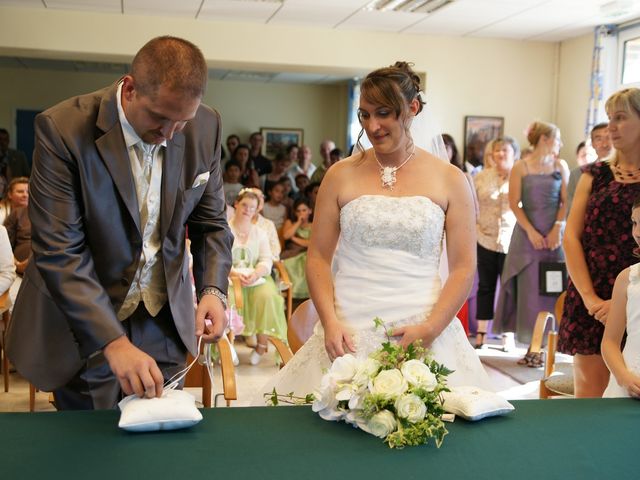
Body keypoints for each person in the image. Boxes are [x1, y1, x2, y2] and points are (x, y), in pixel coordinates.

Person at [5, 36, 233, 410]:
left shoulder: (205, 126)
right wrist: (113, 341)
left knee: (160, 440)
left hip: (166, 321)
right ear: (129, 89)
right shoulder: (62, 129)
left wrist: (213, 290)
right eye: (159, 118)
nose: (170, 134)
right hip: (86, 322)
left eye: (182, 122)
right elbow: (60, 251)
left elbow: (212, 224)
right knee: (94, 453)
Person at [254, 61, 491, 401]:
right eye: (364, 115)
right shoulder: (340, 174)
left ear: (412, 108)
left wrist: (431, 328)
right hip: (348, 329)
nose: (373, 126)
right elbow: (319, 257)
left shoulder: (451, 179)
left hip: (423, 328)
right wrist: (331, 323)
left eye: (384, 113)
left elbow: (464, 267)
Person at [558, 88, 640, 397]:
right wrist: (592, 300)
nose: (612, 128)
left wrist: (623, 300)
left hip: (637, 295)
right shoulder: (594, 175)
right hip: (591, 299)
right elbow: (571, 237)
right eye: (609, 119)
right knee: (588, 399)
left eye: (621, 118)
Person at [494, 121, 569, 358]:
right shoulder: (521, 167)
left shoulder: (560, 165)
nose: (561, 144)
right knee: (530, 292)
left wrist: (558, 227)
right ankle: (532, 346)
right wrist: (532, 232)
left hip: (555, 239)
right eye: (557, 139)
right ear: (545, 139)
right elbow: (515, 203)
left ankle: (552, 344)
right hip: (528, 239)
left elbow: (566, 202)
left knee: (553, 290)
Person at [228, 189, 287, 365]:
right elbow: (218, 257)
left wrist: (256, 274)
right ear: (236, 205)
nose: (247, 210)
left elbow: (266, 259)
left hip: (255, 278)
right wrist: (232, 272)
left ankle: (261, 346)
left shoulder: (259, 232)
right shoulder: (225, 229)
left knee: (268, 296)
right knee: (227, 298)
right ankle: (227, 346)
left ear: (256, 210)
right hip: (229, 277)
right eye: (244, 205)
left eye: (252, 207)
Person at [473, 137, 518, 348]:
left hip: (512, 240)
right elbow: (471, 205)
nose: (500, 154)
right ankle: (482, 331)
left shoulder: (521, 176)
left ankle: (507, 333)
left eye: (505, 150)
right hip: (485, 238)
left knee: (509, 288)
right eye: (497, 150)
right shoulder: (481, 177)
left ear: (514, 153)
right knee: (485, 286)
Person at [602, 196, 640, 397]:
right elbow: (609, 342)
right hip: (627, 386)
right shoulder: (627, 278)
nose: (637, 232)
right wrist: (623, 377)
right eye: (635, 223)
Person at [566, 122, 612, 213]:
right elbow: (571, 208)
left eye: (608, 138)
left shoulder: (626, 172)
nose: (605, 144)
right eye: (599, 139)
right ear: (593, 144)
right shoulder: (577, 174)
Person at [281, 197, 313, 300]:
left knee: (307, 264)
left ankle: (306, 295)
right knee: (288, 264)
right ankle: (291, 295)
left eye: (304, 210)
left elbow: (310, 243)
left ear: (310, 211)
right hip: (292, 253)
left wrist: (294, 238)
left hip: (307, 253)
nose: (301, 213)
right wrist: (298, 222)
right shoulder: (290, 222)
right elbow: (286, 235)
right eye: (298, 211)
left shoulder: (313, 225)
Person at [0, 128, 31, 198]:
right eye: (0, 139)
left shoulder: (19, 155)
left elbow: (27, 175)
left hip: (16, 192)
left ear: (8, 141)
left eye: (5, 140)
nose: (2, 142)